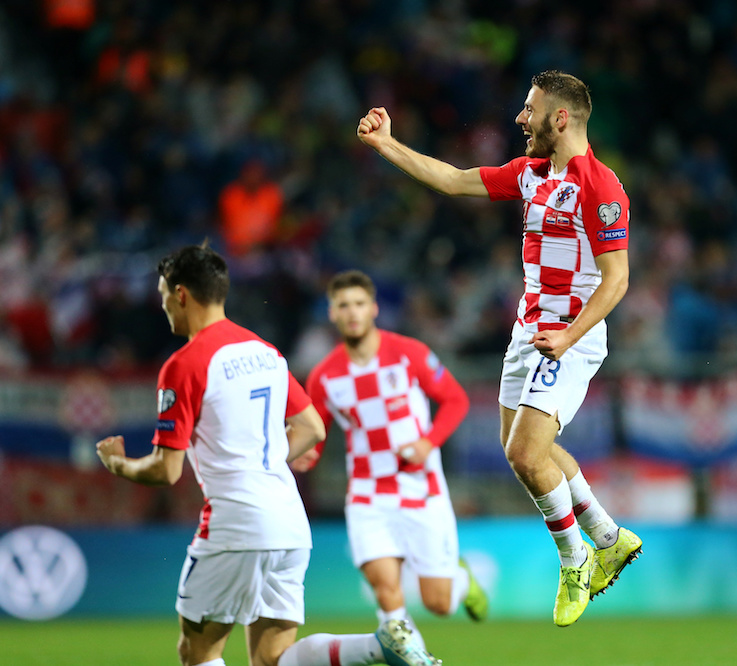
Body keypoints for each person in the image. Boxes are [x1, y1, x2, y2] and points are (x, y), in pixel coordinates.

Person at [356, 70, 642, 627]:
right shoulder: (532, 173)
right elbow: (453, 180)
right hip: (528, 330)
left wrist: (569, 336)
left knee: (527, 454)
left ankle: (576, 559)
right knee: (523, 450)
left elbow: (617, 280)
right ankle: (610, 537)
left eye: (530, 109)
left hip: (570, 335)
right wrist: (386, 144)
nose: (520, 118)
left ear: (561, 117)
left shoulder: (601, 186)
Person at [95, 244, 440, 666]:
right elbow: (312, 428)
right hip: (288, 521)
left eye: (164, 294)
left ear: (181, 294)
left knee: (198, 651)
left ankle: (380, 644)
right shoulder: (265, 352)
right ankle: (377, 644)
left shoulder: (184, 365)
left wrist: (118, 463)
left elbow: (166, 470)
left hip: (235, 523)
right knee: (273, 658)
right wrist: (269, 458)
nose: (163, 305)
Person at [295, 269, 488, 652]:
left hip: (422, 489)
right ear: (332, 313)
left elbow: (455, 399)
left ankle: (462, 581)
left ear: (374, 308)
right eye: (343, 305)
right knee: (386, 590)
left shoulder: (408, 353)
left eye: (359, 304)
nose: (352, 312)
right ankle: (413, 657)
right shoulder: (323, 377)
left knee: (439, 604)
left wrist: (428, 443)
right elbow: (316, 435)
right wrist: (306, 457)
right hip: (367, 494)